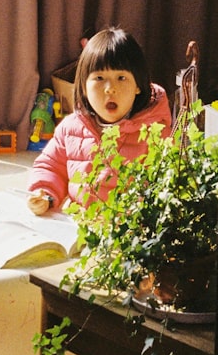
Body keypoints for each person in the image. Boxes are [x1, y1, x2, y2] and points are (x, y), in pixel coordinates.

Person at [26, 26, 171, 215]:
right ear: (84, 87)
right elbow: (50, 166)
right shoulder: (70, 128)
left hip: (128, 235)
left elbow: (167, 188)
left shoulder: (155, 134)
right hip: (77, 226)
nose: (110, 88)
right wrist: (44, 193)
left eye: (121, 77)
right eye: (99, 78)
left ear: (138, 86)